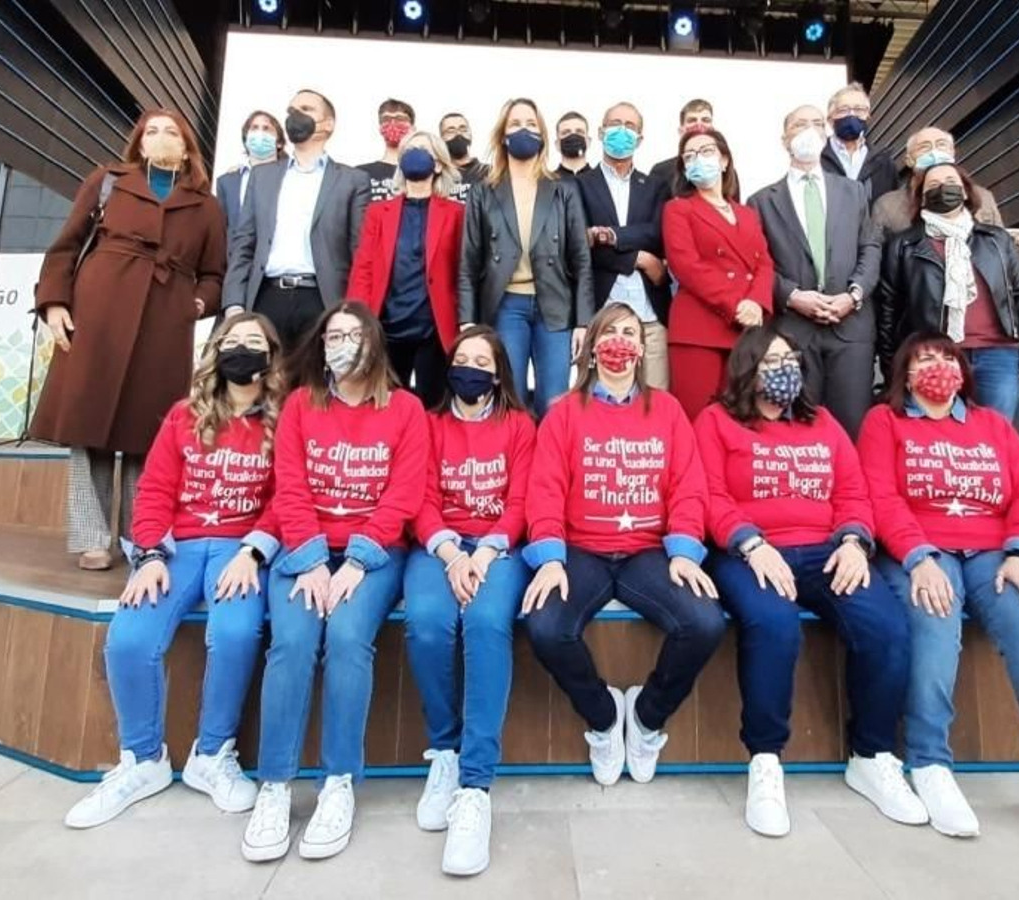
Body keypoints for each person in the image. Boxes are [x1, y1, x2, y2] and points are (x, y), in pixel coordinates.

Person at [857, 332, 1019, 862]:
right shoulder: (885, 422)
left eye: (948, 357)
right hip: (923, 550)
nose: (938, 366)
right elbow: (879, 495)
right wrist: (918, 558)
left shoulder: (992, 425)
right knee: (934, 618)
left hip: (996, 553)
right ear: (904, 374)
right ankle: (929, 763)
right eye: (925, 358)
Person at [696, 325, 924, 838]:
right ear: (748, 368)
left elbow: (853, 491)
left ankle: (872, 754)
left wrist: (853, 541)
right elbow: (708, 494)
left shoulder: (822, 423)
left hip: (826, 548)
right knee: (775, 624)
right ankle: (765, 760)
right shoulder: (716, 422)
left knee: (885, 628)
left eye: (790, 359)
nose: (785, 368)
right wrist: (750, 543)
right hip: (749, 552)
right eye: (773, 359)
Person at [64, 313, 285, 829]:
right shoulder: (184, 416)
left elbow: (284, 500)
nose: (243, 351)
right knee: (129, 639)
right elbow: (155, 492)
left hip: (240, 549)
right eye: (232, 342)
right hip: (180, 547)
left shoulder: (284, 420)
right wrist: (150, 556)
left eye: (255, 343)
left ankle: (213, 754)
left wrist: (253, 552)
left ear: (272, 357)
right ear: (215, 352)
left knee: (234, 631)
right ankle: (143, 760)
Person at [243, 303, 429, 863]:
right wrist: (313, 560)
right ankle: (274, 786)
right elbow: (291, 488)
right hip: (308, 551)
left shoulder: (406, 409)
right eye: (333, 335)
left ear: (374, 343)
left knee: (348, 639)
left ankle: (339, 781)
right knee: (293, 643)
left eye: (353, 334)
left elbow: (404, 493)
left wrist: (356, 562)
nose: (342, 344)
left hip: (371, 555)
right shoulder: (301, 405)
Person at [521, 303, 726, 787]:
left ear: (642, 347)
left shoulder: (668, 410)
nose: (620, 341)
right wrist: (550, 557)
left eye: (630, 332)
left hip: (647, 552)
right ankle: (605, 718)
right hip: (582, 550)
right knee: (547, 627)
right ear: (591, 346)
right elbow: (545, 489)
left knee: (704, 623)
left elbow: (688, 486)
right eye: (609, 332)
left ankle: (648, 718)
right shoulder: (563, 414)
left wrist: (683, 550)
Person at [32, 108, 226, 570]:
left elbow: (214, 272)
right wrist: (55, 302)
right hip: (99, 311)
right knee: (88, 429)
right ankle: (92, 538)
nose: (160, 138)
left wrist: (196, 304)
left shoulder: (205, 203)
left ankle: (143, 535)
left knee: (149, 434)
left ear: (186, 145)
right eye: (151, 131)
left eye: (171, 131)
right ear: (139, 143)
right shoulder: (107, 181)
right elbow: (66, 244)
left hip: (165, 319)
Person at [405, 326, 537, 877]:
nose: (471, 369)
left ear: (499, 372)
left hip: (496, 551)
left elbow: (522, 500)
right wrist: (450, 555)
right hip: (439, 549)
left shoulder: (520, 426)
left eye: (483, 360)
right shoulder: (429, 426)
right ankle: (445, 752)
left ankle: (476, 785)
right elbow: (419, 498)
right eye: (463, 359)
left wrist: (483, 553)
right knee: (429, 622)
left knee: (485, 624)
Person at [748, 104, 880, 438]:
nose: (808, 130)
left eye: (817, 124)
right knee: (795, 426)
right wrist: (791, 296)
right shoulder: (761, 201)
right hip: (793, 330)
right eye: (799, 124)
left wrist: (854, 294)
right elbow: (756, 263)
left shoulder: (854, 192)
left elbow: (870, 248)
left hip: (851, 327)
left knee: (852, 429)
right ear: (784, 139)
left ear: (826, 135)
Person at [458, 97, 595, 417]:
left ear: (543, 135)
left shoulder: (563, 188)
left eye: (531, 124)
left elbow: (581, 259)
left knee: (555, 401)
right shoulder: (483, 190)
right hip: (505, 306)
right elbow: (468, 260)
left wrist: (583, 321)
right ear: (503, 135)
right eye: (516, 124)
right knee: (511, 398)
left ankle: (551, 467)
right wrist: (467, 319)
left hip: (555, 306)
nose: (524, 130)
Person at [875, 163, 1019, 423]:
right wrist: (892, 367)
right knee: (938, 438)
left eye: (951, 182)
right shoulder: (903, 245)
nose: (943, 189)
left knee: (993, 439)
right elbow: (888, 310)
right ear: (921, 198)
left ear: (965, 191)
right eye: (933, 186)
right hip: (935, 355)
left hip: (997, 355)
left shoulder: (997, 239)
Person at [222, 89, 371, 351]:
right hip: (265, 298)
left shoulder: (352, 180)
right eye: (292, 110)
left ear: (328, 124)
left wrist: (354, 311)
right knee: (265, 385)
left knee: (314, 388)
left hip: (323, 300)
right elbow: (244, 243)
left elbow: (360, 251)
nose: (295, 116)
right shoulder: (262, 177)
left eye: (306, 109)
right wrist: (234, 304)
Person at [345, 131, 464, 407]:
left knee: (433, 406)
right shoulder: (378, 212)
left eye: (423, 149)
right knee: (382, 407)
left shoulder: (457, 213)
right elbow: (364, 267)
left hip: (433, 329)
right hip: (386, 326)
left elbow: (462, 272)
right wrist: (356, 319)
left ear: (437, 164)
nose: (415, 154)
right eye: (410, 149)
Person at [662, 128, 774, 420]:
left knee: (744, 417)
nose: (698, 159)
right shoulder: (679, 209)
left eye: (706, 151)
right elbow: (686, 266)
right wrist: (737, 304)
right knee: (697, 418)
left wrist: (757, 303)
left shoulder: (747, 213)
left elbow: (765, 264)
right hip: (699, 328)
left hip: (746, 328)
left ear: (724, 160)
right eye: (689, 156)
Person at [574, 101, 671, 389]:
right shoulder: (579, 185)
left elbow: (657, 234)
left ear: (640, 138)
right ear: (601, 132)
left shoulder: (655, 186)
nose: (622, 131)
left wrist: (611, 236)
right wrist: (639, 258)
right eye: (615, 124)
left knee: (655, 402)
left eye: (630, 126)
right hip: (600, 315)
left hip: (650, 317)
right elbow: (582, 244)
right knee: (598, 403)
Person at [872, 126, 1019, 260]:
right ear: (908, 160)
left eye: (941, 145)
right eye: (925, 147)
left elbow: (1001, 253)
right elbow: (876, 260)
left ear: (952, 153)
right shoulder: (888, 206)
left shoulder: (983, 198)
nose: (934, 152)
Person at [819, 83, 897, 207]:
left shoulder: (884, 162)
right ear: (830, 119)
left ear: (868, 116)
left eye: (859, 110)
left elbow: (891, 207)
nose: (852, 115)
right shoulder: (817, 159)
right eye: (844, 110)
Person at [216, 111, 283, 230]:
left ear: (279, 143)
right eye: (254, 128)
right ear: (246, 140)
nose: (260, 133)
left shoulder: (290, 176)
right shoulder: (227, 182)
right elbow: (222, 228)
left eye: (266, 128)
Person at [645, 98, 714, 205]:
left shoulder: (725, 171)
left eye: (705, 120)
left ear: (713, 129)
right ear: (681, 130)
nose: (699, 125)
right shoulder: (660, 172)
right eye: (692, 120)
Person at [356, 98, 416, 204]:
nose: (393, 123)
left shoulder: (425, 172)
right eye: (386, 119)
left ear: (413, 128)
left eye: (400, 119)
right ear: (380, 127)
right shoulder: (360, 173)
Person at [440, 112, 490, 199]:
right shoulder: (438, 175)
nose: (458, 134)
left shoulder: (489, 172)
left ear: (470, 134)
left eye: (463, 129)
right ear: (441, 138)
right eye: (451, 131)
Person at [554, 111, 592, 178]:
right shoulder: (545, 183)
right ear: (557, 144)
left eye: (579, 132)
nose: (573, 136)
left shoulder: (603, 181)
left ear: (588, 141)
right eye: (566, 132)